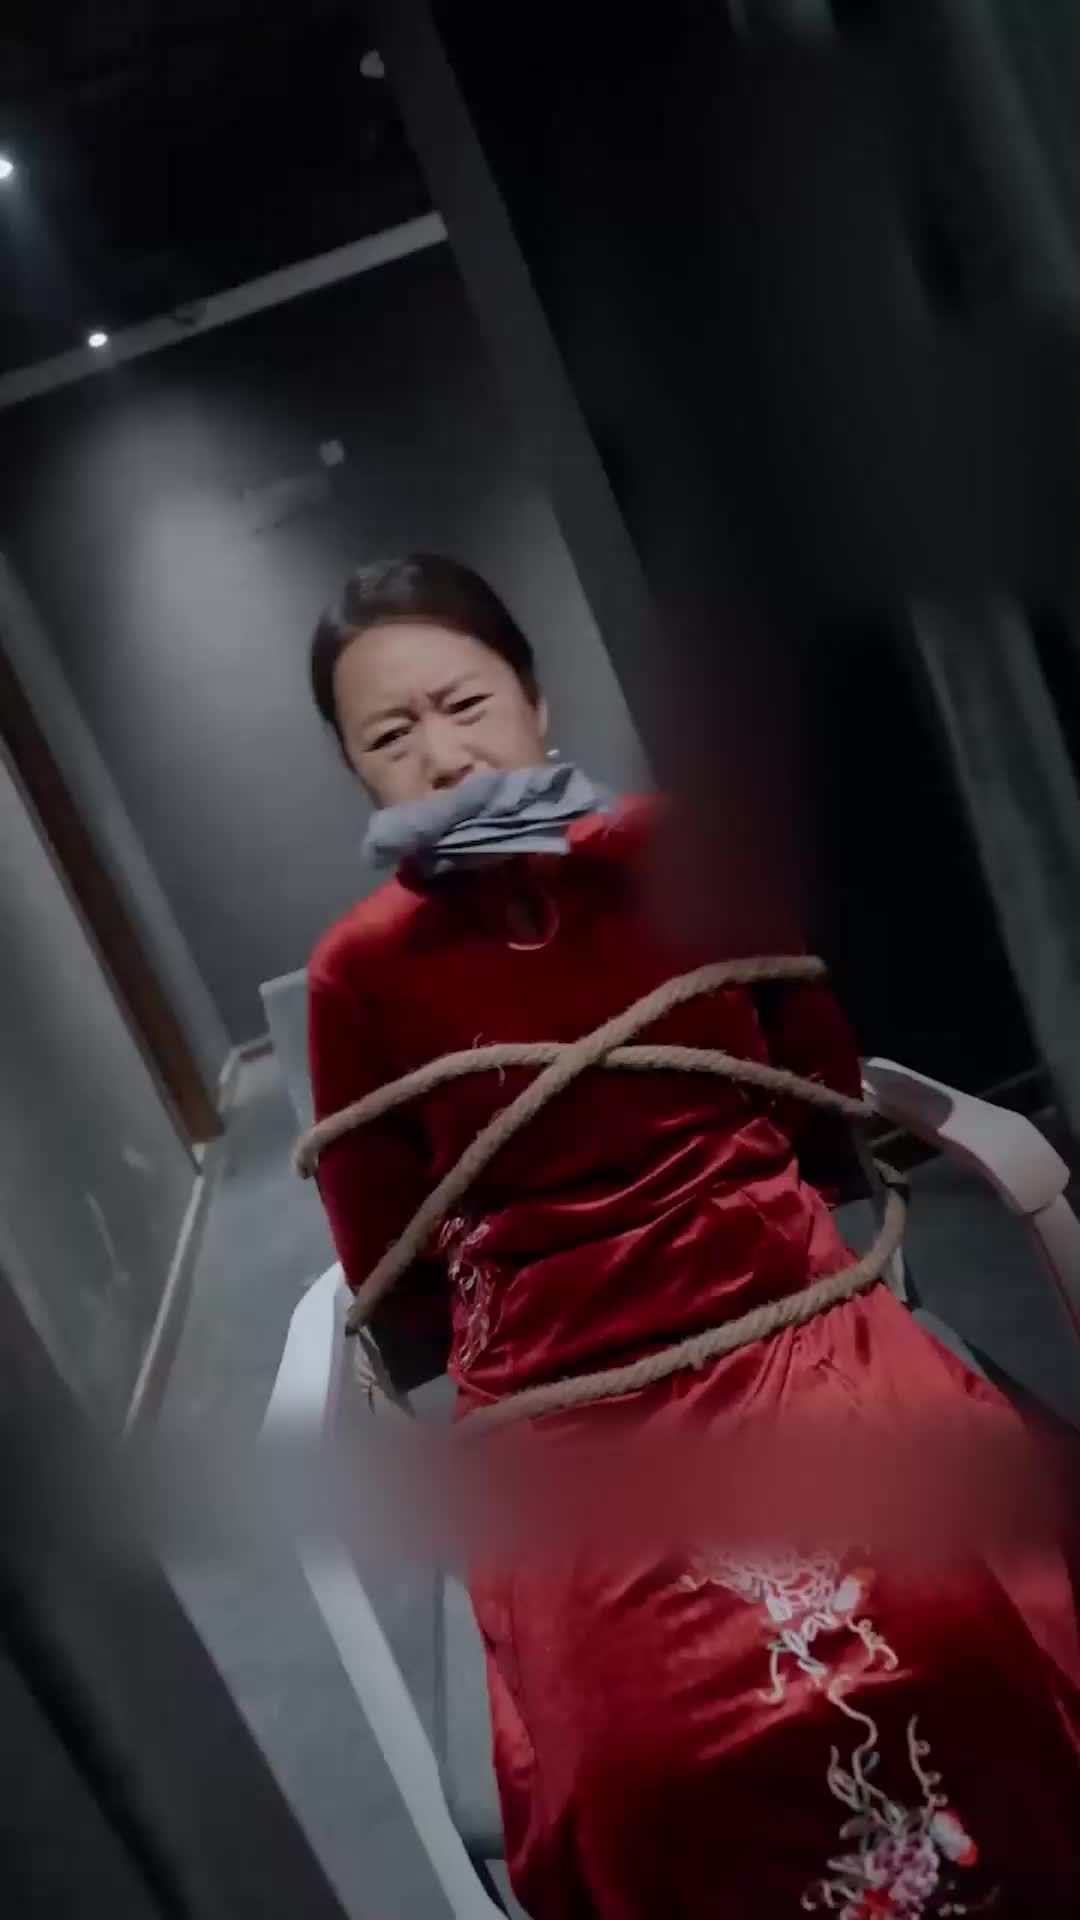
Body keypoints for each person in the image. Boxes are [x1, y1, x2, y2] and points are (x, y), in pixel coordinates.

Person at [305, 553, 1080, 1918]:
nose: (443, 755)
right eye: (390, 734)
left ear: (534, 698)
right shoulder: (356, 974)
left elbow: (821, 1099)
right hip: (558, 1393)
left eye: (465, 703)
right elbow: (393, 1267)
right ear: (357, 772)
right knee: (635, 1756)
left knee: (952, 1619)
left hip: (783, 1305)